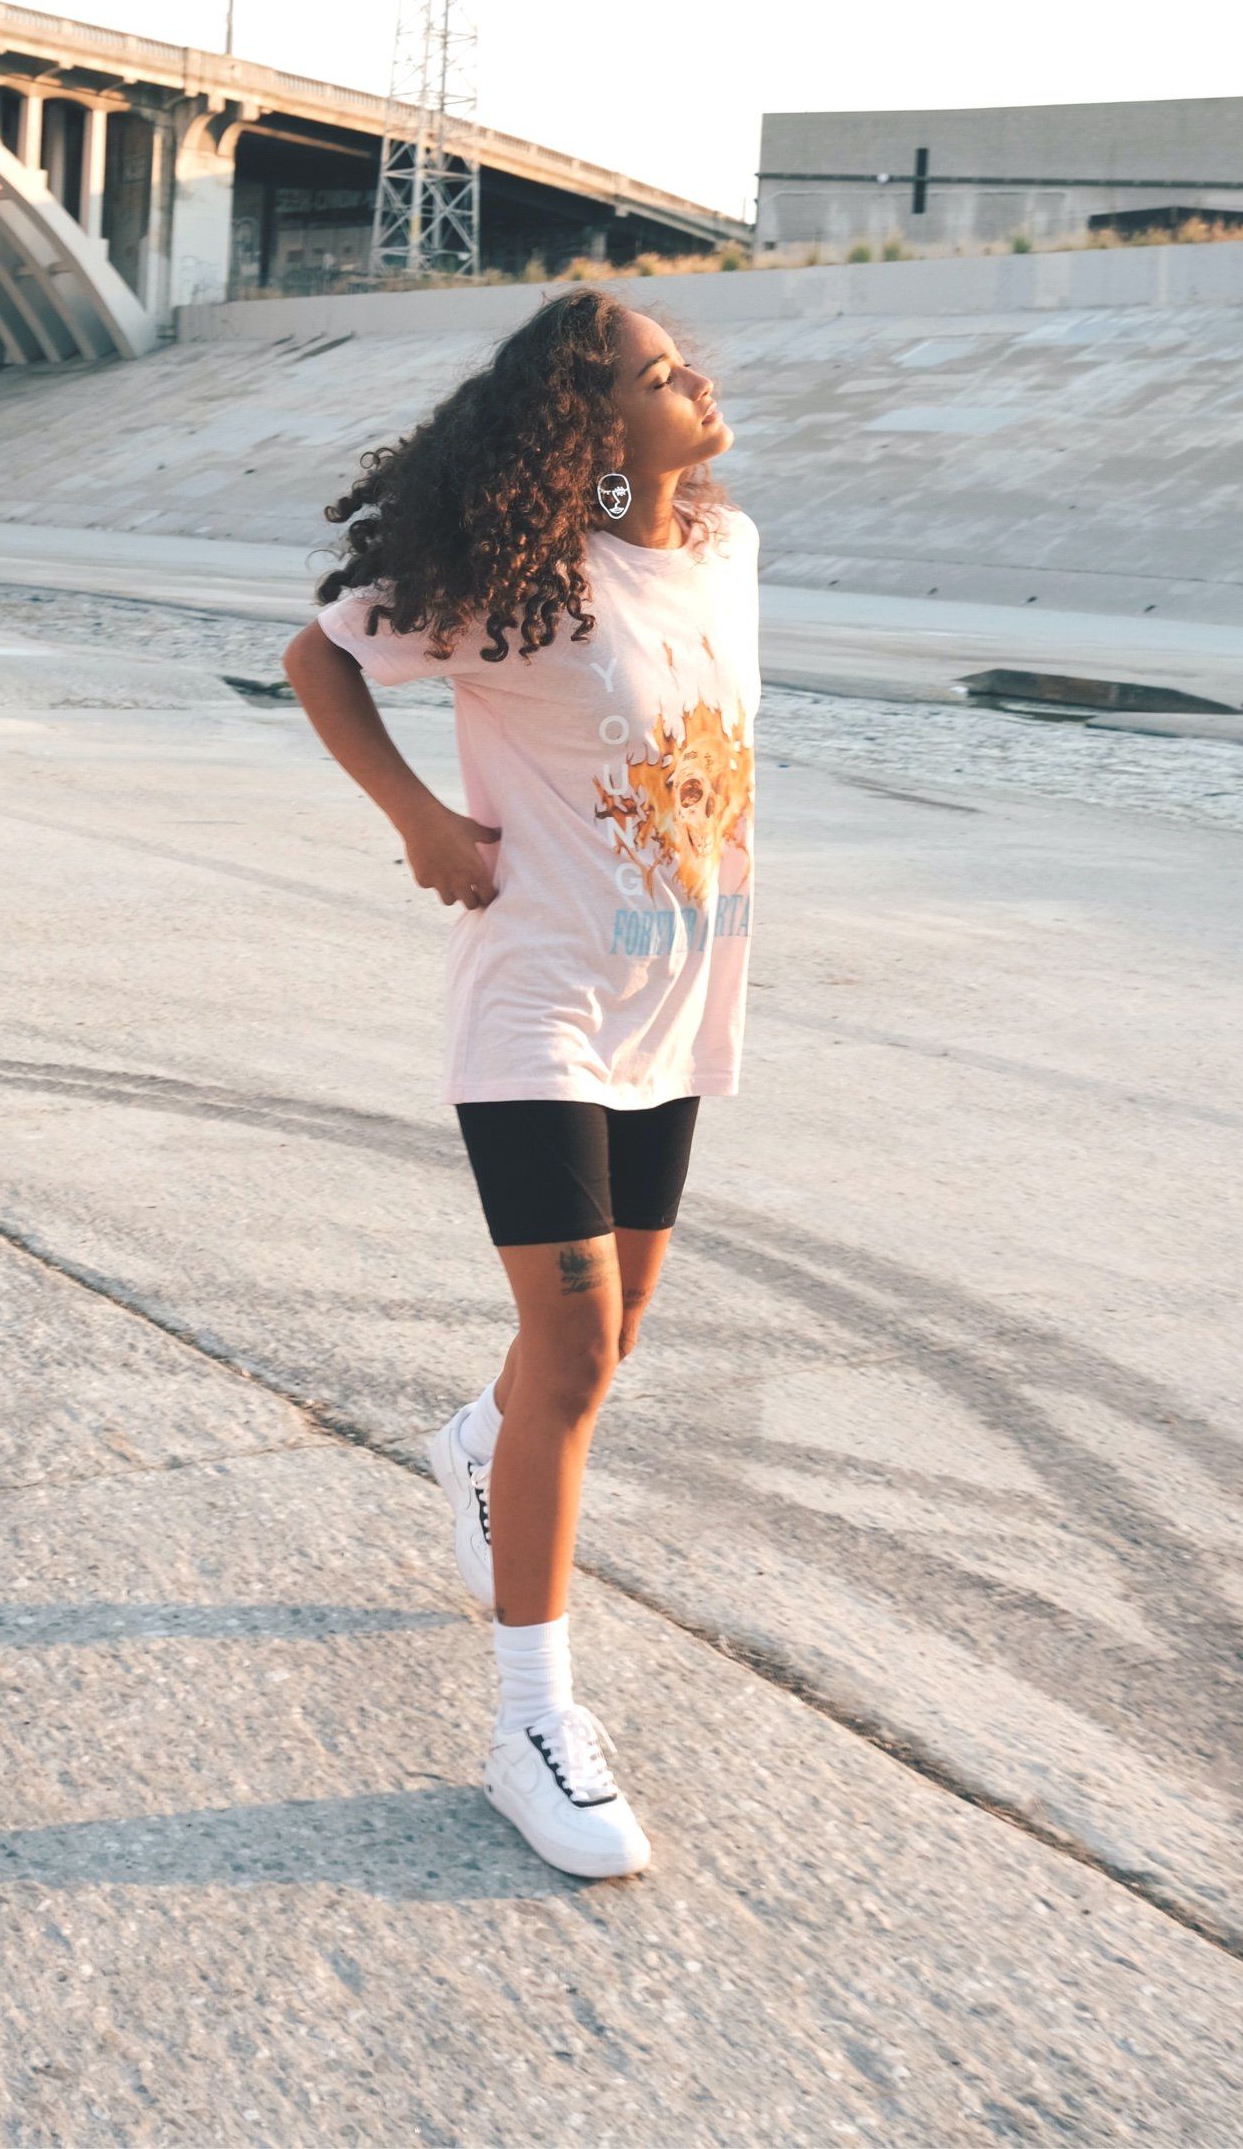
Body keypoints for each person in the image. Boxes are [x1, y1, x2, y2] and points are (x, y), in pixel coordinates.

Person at [283, 287, 757, 1879]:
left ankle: (480, 1449)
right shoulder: (521, 583)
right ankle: (530, 1725)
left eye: (684, 362)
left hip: (674, 1009)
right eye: (659, 374)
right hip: (538, 1006)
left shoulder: (728, 551)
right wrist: (421, 823)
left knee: (605, 1344)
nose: (695, 382)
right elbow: (320, 657)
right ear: (591, 425)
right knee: (575, 1354)